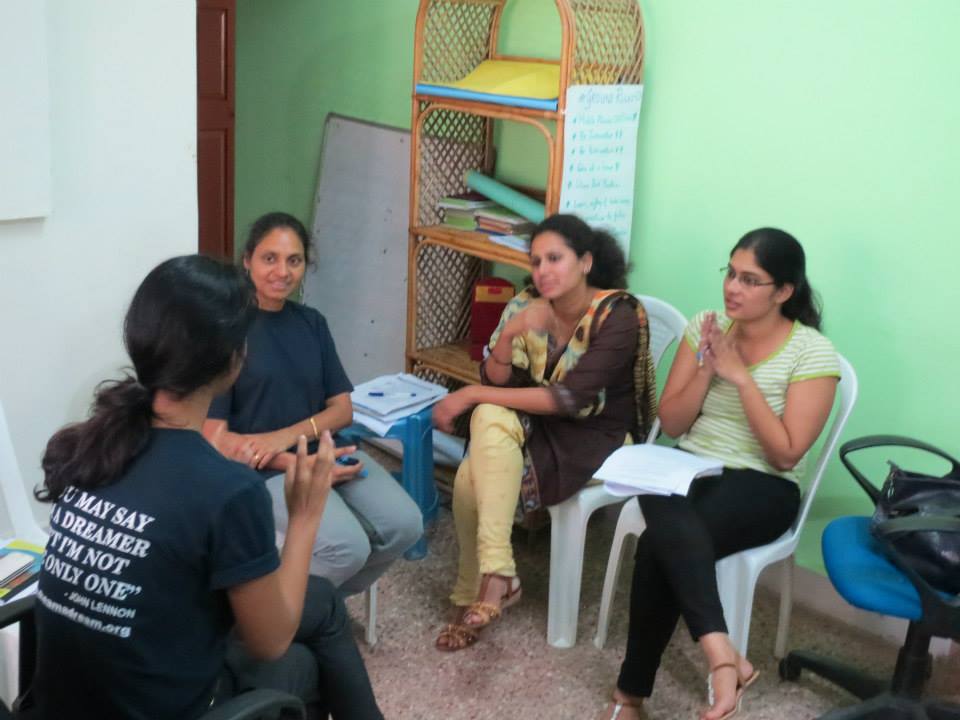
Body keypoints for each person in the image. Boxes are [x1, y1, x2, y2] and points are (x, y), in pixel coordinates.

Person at [33, 255, 383, 719]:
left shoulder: (91, 444)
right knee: (298, 664)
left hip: (62, 703)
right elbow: (271, 642)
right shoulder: (228, 490)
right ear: (233, 359)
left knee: (323, 603)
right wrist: (304, 516)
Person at [602, 228, 840, 720]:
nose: (733, 287)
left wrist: (740, 377)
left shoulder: (812, 352)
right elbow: (673, 423)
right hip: (688, 466)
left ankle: (631, 696)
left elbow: (786, 455)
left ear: (784, 291)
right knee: (661, 498)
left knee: (658, 543)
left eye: (750, 280)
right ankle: (725, 658)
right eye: (731, 273)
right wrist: (708, 367)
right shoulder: (704, 327)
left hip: (764, 484)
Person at [431, 213, 657, 651]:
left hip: (596, 435)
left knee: (474, 460)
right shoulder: (527, 305)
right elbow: (497, 380)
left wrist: (470, 394)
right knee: (488, 417)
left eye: (555, 258)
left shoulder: (618, 315)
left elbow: (569, 399)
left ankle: (476, 591)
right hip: (540, 422)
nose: (543, 271)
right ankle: (498, 574)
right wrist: (510, 334)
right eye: (536, 261)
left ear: (586, 262)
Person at [203, 212, 422, 596]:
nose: (282, 272)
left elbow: (342, 410)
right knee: (347, 548)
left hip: (326, 452)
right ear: (247, 260)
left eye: (294, 260)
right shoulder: (226, 331)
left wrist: (290, 440)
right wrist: (291, 461)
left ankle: (319, 609)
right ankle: (286, 617)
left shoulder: (311, 323)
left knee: (406, 525)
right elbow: (215, 438)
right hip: (263, 472)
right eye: (270, 258)